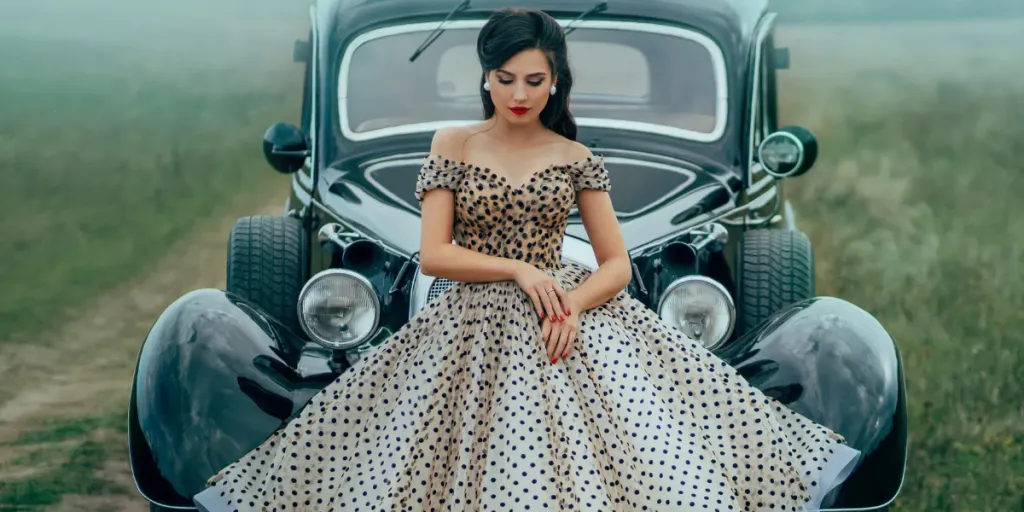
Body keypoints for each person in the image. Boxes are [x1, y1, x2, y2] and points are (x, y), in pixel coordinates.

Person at [193, 8, 860, 512]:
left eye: (535, 80)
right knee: (419, 465)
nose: (519, 93)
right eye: (506, 78)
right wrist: (518, 271)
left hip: (569, 320)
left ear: (555, 83)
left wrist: (570, 303)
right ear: (486, 79)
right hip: (467, 323)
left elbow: (617, 265)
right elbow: (433, 252)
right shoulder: (451, 142)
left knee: (624, 462)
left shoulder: (576, 158)